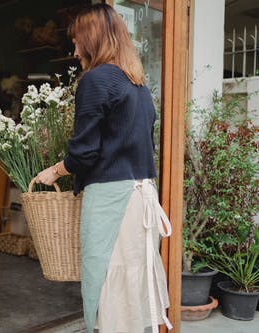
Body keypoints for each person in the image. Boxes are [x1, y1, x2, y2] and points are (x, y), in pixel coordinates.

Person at [35, 4, 173, 333]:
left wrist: (54, 171)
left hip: (113, 200)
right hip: (142, 199)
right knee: (133, 284)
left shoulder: (96, 80)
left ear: (91, 39)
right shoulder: (138, 85)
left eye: (77, 39)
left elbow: (84, 152)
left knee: (108, 282)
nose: (74, 47)